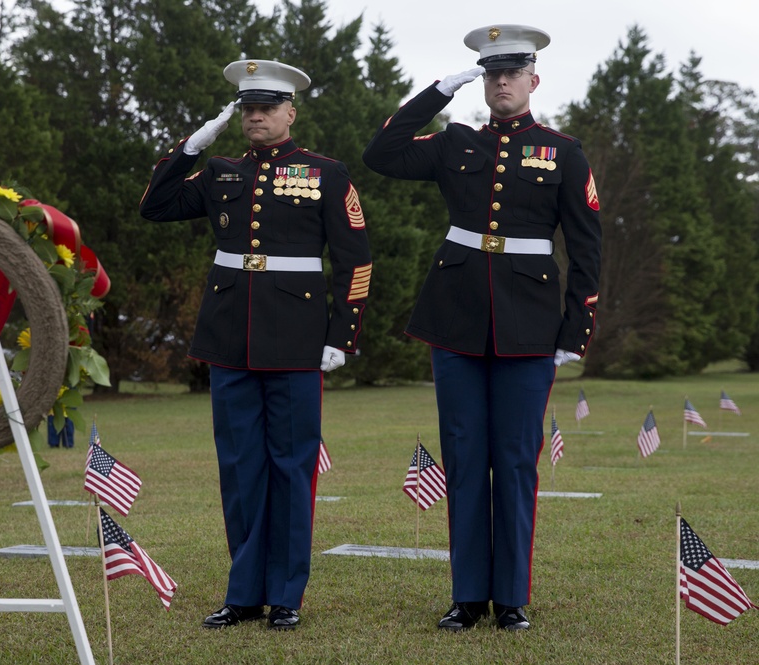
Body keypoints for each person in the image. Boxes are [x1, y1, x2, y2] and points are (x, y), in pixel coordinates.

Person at [363, 25, 601, 632]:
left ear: (532, 80)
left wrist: (575, 331)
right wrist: (439, 90)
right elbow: (381, 154)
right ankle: (468, 596)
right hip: (457, 318)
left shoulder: (563, 152)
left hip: (530, 324)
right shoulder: (454, 143)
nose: (500, 82)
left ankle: (511, 599)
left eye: (511, 72)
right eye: (491, 72)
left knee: (517, 461)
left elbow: (586, 247)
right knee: (465, 459)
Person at [140, 59, 372, 630]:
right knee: (240, 468)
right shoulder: (220, 172)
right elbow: (155, 205)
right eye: (248, 109)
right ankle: (243, 592)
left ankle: (287, 594)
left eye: (268, 107)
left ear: (291, 111)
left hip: (297, 339)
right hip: (229, 337)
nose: (257, 116)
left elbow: (355, 258)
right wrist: (194, 145)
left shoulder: (326, 173)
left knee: (292, 468)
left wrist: (342, 333)